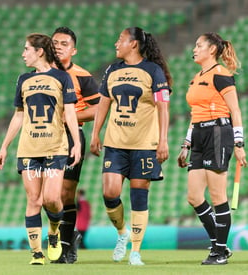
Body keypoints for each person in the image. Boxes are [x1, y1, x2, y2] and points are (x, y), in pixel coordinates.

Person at [0, 33, 81, 265]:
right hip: (28, 149)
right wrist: (4, 147)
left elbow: (70, 113)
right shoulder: (23, 79)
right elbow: (19, 115)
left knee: (51, 199)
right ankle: (36, 253)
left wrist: (77, 143)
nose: (23, 54)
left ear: (39, 51)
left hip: (55, 147)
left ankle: (53, 231)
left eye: (26, 49)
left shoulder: (62, 78)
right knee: (34, 199)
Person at [90, 27, 172, 265]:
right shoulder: (113, 70)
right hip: (115, 143)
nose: (116, 44)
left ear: (133, 44)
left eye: (120, 40)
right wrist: (96, 133)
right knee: (110, 192)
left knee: (139, 197)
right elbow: (103, 103)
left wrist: (163, 140)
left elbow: (163, 107)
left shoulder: (153, 71)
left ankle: (135, 251)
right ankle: (122, 233)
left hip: (144, 144)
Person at [177, 32, 247, 265]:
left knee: (218, 196)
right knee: (194, 196)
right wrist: (186, 144)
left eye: (199, 45)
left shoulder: (221, 75)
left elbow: (235, 111)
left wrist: (239, 143)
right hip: (199, 135)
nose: (194, 49)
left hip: (218, 134)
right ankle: (221, 245)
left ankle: (218, 251)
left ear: (212, 50)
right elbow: (194, 115)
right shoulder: (197, 77)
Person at [50, 26, 100, 264]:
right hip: (44, 138)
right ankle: (68, 235)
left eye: (64, 44)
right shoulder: (39, 74)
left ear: (74, 50)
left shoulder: (82, 76)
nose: (59, 47)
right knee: (46, 196)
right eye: (55, 43)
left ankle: (66, 244)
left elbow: (98, 109)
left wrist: (69, 118)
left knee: (65, 193)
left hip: (71, 136)